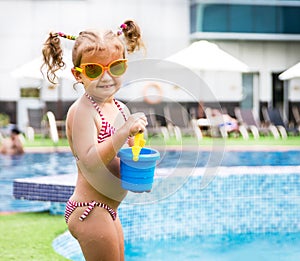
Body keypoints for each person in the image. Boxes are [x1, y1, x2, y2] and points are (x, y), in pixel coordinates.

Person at [41, 20, 147, 261]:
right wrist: (123, 133)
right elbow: (90, 161)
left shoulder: (120, 109)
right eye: (94, 70)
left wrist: (138, 144)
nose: (106, 76)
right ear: (78, 74)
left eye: (115, 67)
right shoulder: (82, 112)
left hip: (110, 209)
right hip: (90, 209)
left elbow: (129, 155)